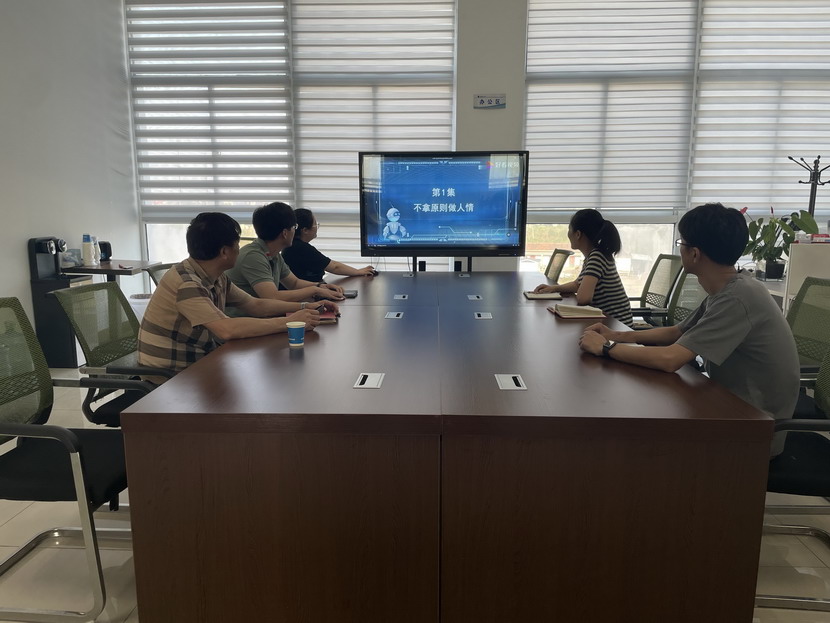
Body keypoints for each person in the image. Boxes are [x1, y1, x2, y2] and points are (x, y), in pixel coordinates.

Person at [578, 202, 799, 457]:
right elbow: (677, 332)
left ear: (694, 254)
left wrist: (606, 348)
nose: (680, 248)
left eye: (681, 243)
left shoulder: (737, 298)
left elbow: (670, 359)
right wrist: (615, 335)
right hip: (731, 407)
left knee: (638, 438)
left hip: (754, 430)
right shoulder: (732, 289)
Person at [138, 212, 322, 380]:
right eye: (237, 245)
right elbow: (226, 330)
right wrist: (289, 323)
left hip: (200, 363)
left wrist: (305, 307)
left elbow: (255, 305)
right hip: (170, 377)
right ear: (224, 252)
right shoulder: (187, 284)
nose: (239, 250)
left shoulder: (216, 276)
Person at [225, 202, 346, 316]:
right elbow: (272, 297)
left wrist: (320, 286)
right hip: (244, 321)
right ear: (285, 233)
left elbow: (294, 283)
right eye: (294, 227)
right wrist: (314, 290)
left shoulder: (273, 254)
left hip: (263, 318)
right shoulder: (253, 256)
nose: (295, 231)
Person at [533, 209, 633, 327]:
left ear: (578, 234)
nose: (568, 234)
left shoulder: (596, 257)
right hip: (609, 322)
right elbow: (577, 284)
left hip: (617, 326)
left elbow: (583, 298)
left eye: (569, 229)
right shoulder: (594, 255)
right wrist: (553, 288)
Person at [282, 208, 376, 282]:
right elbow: (334, 267)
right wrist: (358, 272)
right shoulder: (300, 248)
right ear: (305, 230)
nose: (317, 227)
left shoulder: (294, 246)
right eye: (315, 224)